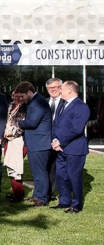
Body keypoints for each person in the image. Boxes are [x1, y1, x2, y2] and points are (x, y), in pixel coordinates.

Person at [51, 81, 90, 213]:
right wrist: (54, 140)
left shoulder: (81, 107)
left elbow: (76, 129)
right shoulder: (62, 105)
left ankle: (76, 205)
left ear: (69, 90)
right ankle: (64, 201)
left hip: (75, 148)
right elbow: (56, 124)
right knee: (61, 175)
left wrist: (60, 141)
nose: (59, 91)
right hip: (61, 149)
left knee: (73, 176)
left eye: (61, 88)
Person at [15, 81, 52, 206]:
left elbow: (32, 122)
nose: (20, 99)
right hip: (35, 143)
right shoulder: (34, 102)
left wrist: (19, 123)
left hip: (40, 143)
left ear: (29, 92)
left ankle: (42, 198)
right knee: (36, 172)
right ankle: (37, 195)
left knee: (40, 172)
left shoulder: (38, 103)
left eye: (22, 96)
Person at [3, 91, 28, 202]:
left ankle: (19, 194)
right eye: (13, 95)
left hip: (19, 140)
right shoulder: (11, 106)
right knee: (10, 165)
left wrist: (14, 135)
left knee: (16, 165)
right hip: (9, 139)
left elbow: (23, 124)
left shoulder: (25, 107)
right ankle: (16, 192)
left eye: (18, 95)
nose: (15, 98)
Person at [46, 78, 63, 201]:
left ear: (61, 88)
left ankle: (59, 191)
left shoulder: (65, 102)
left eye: (56, 87)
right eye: (50, 88)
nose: (53, 90)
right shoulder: (43, 102)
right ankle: (48, 191)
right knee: (48, 166)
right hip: (45, 139)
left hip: (61, 140)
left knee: (59, 167)